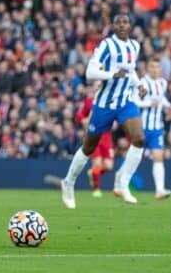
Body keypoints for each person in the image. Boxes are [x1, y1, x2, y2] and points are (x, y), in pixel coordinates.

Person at [61, 14, 148, 209]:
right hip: (104, 104)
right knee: (88, 147)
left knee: (139, 138)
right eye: (119, 23)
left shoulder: (135, 46)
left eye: (126, 22)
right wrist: (112, 75)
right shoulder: (106, 46)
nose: (123, 25)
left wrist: (139, 84)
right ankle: (68, 182)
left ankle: (122, 182)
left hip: (125, 101)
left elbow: (130, 70)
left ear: (130, 25)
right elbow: (90, 73)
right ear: (114, 26)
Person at [132, 58, 171, 200]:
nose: (156, 70)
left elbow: (161, 99)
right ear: (148, 69)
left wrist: (169, 106)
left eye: (158, 67)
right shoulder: (143, 83)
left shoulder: (162, 83)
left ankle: (159, 190)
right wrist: (149, 103)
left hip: (157, 127)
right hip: (142, 127)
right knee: (134, 158)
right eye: (153, 67)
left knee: (158, 156)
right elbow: (135, 101)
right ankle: (121, 183)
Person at [75, 87, 114, 198]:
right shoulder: (88, 101)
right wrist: (83, 120)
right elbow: (79, 115)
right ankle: (96, 190)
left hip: (107, 137)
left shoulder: (110, 100)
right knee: (97, 163)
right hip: (94, 136)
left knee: (108, 166)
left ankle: (93, 173)